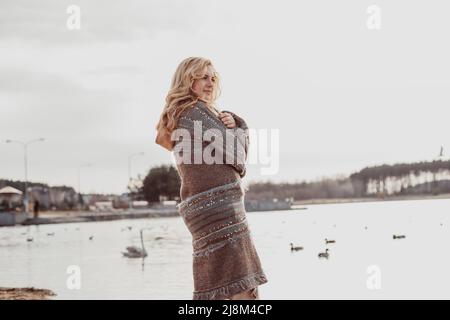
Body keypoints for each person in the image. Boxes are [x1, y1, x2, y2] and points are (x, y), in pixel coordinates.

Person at [155, 57, 267, 300]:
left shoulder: (180, 114)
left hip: (201, 206)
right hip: (219, 207)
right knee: (243, 284)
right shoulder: (196, 111)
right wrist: (239, 125)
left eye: (213, 78)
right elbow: (238, 157)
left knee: (219, 283)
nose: (210, 82)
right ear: (188, 79)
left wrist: (226, 122)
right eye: (203, 76)